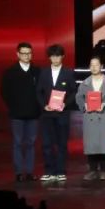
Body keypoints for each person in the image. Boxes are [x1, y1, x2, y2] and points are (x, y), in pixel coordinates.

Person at [0, 41, 40, 183]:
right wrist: (13, 106)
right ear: (17, 54)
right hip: (16, 114)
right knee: (17, 143)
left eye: (29, 53)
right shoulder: (10, 72)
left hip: (33, 114)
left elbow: (42, 91)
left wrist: (38, 107)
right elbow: (4, 92)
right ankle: (18, 172)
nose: (26, 56)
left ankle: (29, 172)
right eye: (23, 53)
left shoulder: (37, 71)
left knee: (31, 143)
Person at [36, 44, 76, 183]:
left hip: (62, 113)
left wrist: (65, 104)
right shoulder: (44, 72)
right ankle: (49, 171)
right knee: (47, 144)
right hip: (47, 114)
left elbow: (73, 91)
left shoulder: (68, 72)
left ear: (62, 56)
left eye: (58, 56)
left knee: (61, 144)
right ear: (49, 57)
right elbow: (39, 92)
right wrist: (44, 105)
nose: (55, 58)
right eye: (53, 56)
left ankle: (60, 171)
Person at [75, 55, 105, 180]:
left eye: (96, 65)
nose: (94, 67)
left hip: (104, 116)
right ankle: (92, 170)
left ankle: (104, 170)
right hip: (90, 116)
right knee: (91, 144)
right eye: (92, 65)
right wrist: (84, 105)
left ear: (101, 66)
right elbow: (78, 97)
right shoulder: (85, 83)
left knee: (104, 144)